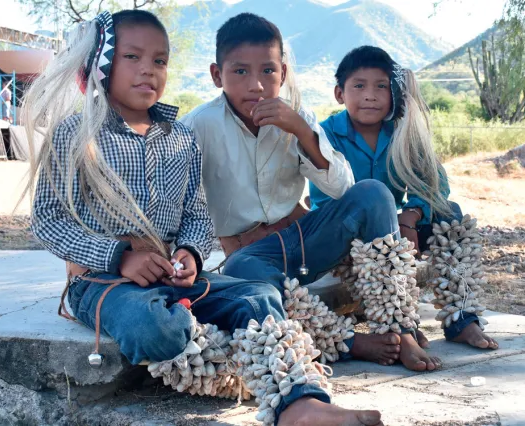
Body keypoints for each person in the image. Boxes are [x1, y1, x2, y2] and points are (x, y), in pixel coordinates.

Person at [24, 10, 383, 426]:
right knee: (155, 326)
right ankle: (246, 357)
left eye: (159, 61)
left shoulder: (181, 138)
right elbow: (48, 221)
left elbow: (195, 215)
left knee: (259, 297)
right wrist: (120, 257)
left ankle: (300, 403)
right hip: (100, 280)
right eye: (133, 58)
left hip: (173, 274)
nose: (149, 71)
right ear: (101, 63)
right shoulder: (75, 135)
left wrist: (191, 255)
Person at [181, 13, 442, 372]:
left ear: (283, 74)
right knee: (244, 270)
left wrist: (302, 131)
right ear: (216, 75)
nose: (256, 85)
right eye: (240, 72)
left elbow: (342, 188)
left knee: (373, 193)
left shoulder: (297, 116)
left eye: (268, 71)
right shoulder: (197, 126)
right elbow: (178, 202)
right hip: (252, 256)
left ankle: (401, 327)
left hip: (306, 240)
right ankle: (348, 341)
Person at [309, 46, 498, 350]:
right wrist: (386, 227)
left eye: (381, 86)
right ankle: (402, 324)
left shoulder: (402, 130)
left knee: (450, 213)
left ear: (394, 94)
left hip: (397, 229)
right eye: (359, 86)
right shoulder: (326, 134)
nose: (370, 95)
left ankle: (462, 318)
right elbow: (324, 199)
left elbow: (435, 183)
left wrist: (411, 216)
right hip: (346, 236)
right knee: (382, 246)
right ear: (339, 93)